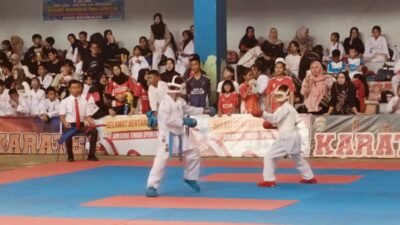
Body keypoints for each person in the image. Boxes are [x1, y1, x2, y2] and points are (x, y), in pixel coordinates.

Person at [146, 75, 215, 197]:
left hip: (179, 133)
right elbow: (167, 121)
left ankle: (190, 177)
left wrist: (205, 111)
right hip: (166, 135)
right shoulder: (164, 103)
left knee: (194, 152)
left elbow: (189, 109)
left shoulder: (179, 101)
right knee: (161, 159)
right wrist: (183, 121)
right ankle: (152, 185)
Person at [252, 84, 316, 187]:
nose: (277, 98)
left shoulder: (284, 108)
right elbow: (291, 122)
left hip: (286, 137)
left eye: (280, 95)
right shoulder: (290, 108)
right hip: (294, 135)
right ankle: (309, 177)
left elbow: (275, 119)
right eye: (276, 95)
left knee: (269, 157)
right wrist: (275, 126)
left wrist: (262, 113)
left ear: (286, 96)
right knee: (297, 158)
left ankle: (269, 180)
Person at [59, 80, 99, 162]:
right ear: (70, 89)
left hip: (81, 125)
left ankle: (91, 155)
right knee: (67, 132)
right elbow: (62, 117)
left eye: (78, 87)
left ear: (81, 88)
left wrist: (91, 121)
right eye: (73, 88)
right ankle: (70, 156)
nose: (76, 89)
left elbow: (87, 116)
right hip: (69, 125)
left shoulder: (84, 101)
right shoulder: (65, 101)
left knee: (94, 131)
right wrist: (65, 123)